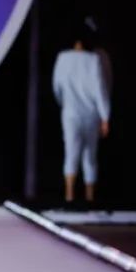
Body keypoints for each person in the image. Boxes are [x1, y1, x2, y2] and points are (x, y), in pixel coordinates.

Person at [51, 23, 111, 205]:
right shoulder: (93, 60)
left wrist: (64, 103)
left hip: (71, 113)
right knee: (89, 157)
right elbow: (100, 89)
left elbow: (57, 86)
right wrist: (105, 116)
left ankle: (70, 196)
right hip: (90, 114)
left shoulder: (63, 58)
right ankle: (88, 198)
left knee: (71, 153)